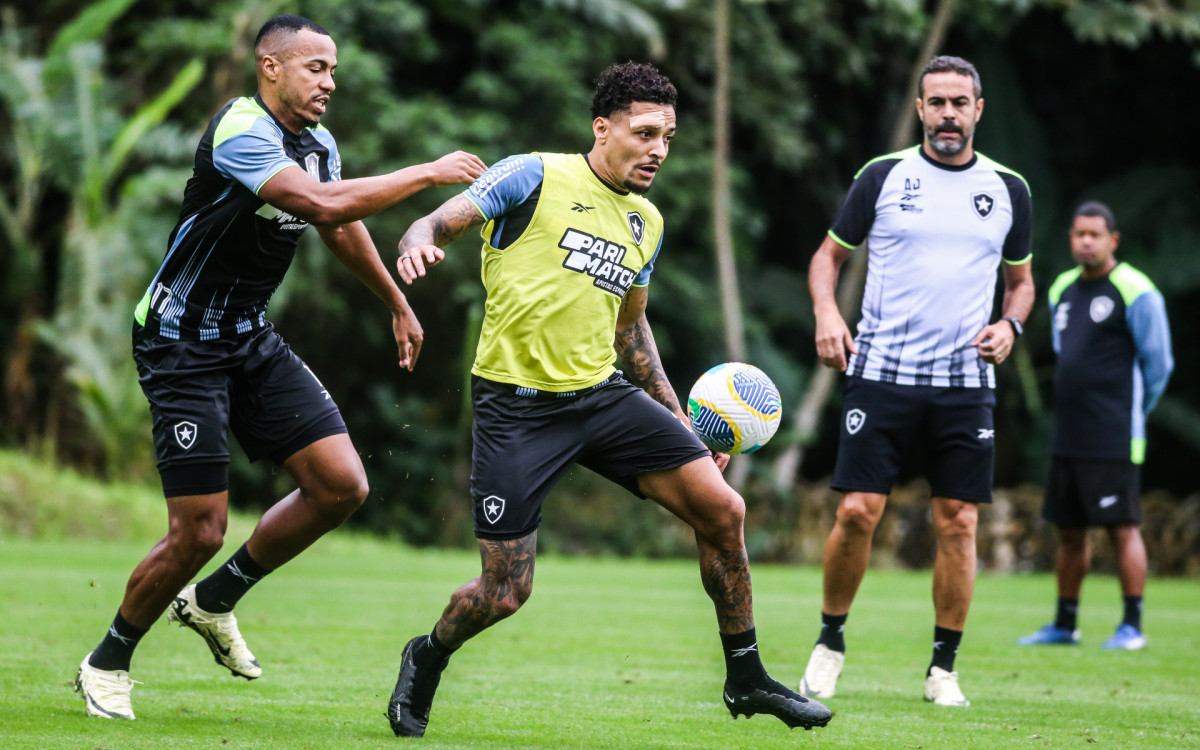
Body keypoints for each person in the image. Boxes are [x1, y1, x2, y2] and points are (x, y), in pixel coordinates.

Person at [383, 61, 832, 737]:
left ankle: (746, 678)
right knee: (504, 593)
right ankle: (428, 654)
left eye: (669, 137)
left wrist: (681, 424)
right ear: (604, 127)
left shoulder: (644, 221)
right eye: (646, 132)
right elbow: (436, 222)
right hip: (517, 408)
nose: (659, 149)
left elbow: (630, 327)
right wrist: (418, 244)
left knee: (723, 510)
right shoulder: (531, 174)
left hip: (601, 397)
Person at [74, 15, 487, 720]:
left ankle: (215, 599)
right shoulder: (242, 132)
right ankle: (107, 661)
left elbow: (337, 222)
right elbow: (314, 201)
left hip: (248, 338)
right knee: (199, 530)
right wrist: (427, 172)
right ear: (271, 67)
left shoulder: (317, 143)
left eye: (333, 70)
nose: (330, 82)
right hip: (179, 344)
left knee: (341, 485)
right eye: (315, 67)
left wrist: (396, 301)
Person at [799, 55, 1035, 707]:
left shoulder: (1008, 188)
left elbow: (1021, 284)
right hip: (881, 373)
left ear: (978, 109)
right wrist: (826, 311)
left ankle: (942, 670)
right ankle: (829, 645)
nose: (949, 114)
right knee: (856, 511)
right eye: (937, 102)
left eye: (961, 102)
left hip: (965, 382)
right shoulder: (883, 177)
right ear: (921, 108)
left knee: (958, 520)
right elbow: (828, 257)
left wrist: (1011, 327)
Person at [1017, 202, 1172, 651]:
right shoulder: (1062, 288)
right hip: (1068, 432)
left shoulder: (1135, 289)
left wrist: (1134, 412)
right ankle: (1065, 624)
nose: (1086, 241)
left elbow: (1159, 363)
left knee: (1122, 526)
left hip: (1114, 431)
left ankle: (1132, 626)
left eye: (1095, 235)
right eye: (1078, 234)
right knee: (1068, 529)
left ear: (1112, 240)